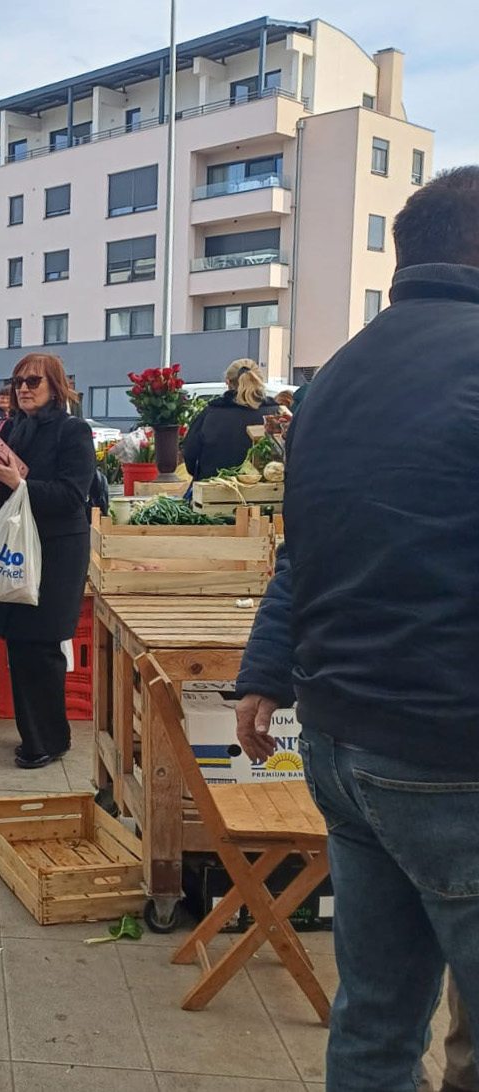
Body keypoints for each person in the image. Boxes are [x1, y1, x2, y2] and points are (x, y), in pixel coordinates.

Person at [234, 167, 479, 1092]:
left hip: (343, 739)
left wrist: (266, 672)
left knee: (374, 1023)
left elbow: (303, 546)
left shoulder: (336, 375)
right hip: (448, 746)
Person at [0, 353, 95, 768]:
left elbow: (73, 495)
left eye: (33, 381)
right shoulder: (11, 428)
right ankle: (34, 735)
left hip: (56, 551)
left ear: (55, 387)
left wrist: (22, 484)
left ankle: (49, 740)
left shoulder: (74, 432)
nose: (23, 388)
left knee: (42, 645)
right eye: (18, 381)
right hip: (14, 549)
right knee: (19, 642)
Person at [181, 359, 278, 481]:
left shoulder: (210, 413)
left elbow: (190, 452)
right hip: (269, 487)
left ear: (228, 381)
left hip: (214, 485)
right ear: (259, 380)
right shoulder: (277, 413)